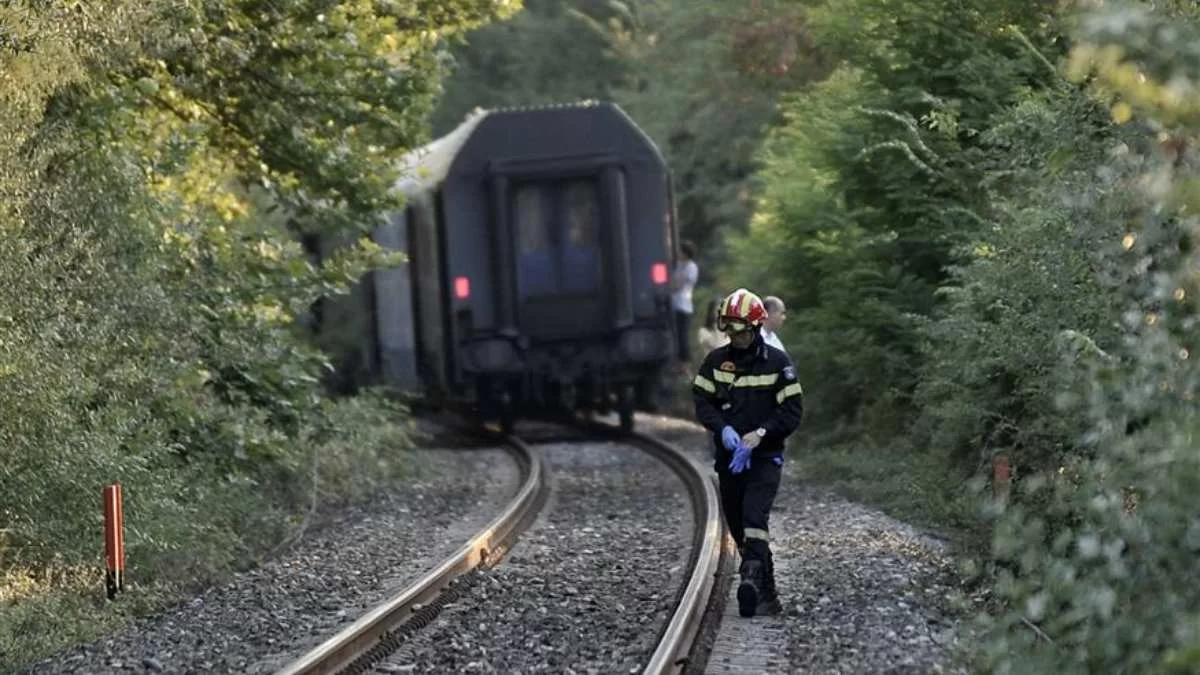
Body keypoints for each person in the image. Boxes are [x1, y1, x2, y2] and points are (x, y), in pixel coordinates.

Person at [692, 288, 803, 618]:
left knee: (756, 519)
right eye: (730, 332)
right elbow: (702, 401)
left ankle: (750, 579)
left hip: (765, 457)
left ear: (755, 328)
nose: (735, 338)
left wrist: (761, 434)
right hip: (730, 460)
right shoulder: (715, 363)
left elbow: (792, 411)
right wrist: (721, 428)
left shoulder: (778, 364)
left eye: (741, 332)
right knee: (739, 524)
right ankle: (767, 592)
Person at [670, 241, 700, 374]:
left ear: (685, 253)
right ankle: (679, 364)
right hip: (675, 304)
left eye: (680, 251)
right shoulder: (680, 266)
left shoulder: (691, 267)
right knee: (676, 335)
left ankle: (686, 365)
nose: (678, 254)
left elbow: (678, 284)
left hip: (684, 304)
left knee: (683, 336)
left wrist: (672, 285)